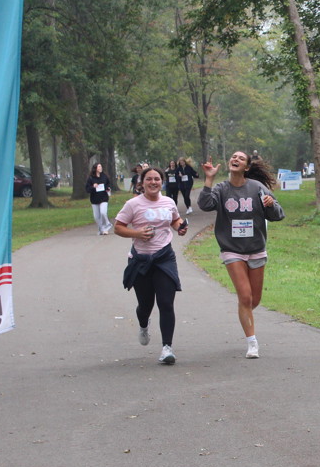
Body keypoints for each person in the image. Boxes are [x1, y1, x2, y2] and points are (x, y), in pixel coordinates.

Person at [198, 150, 285, 359]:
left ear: (247, 167)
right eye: (233, 157)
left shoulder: (257, 188)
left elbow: (278, 214)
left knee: (253, 300)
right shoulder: (221, 189)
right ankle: (252, 343)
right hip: (232, 249)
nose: (235, 159)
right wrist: (209, 179)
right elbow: (205, 204)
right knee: (245, 296)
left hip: (256, 248)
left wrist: (270, 205)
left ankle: (244, 312)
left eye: (241, 158)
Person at [114, 166, 189, 365]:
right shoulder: (133, 204)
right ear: (142, 182)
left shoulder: (169, 202)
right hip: (141, 260)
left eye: (157, 179)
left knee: (166, 303)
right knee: (145, 305)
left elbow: (175, 219)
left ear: (162, 182)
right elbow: (118, 227)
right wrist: (137, 233)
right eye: (149, 179)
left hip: (164, 258)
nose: (153, 182)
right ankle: (143, 324)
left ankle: (167, 348)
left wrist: (180, 227)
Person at [85, 163, 114, 235]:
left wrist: (108, 188)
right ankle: (101, 229)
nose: (100, 168)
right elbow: (87, 189)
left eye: (101, 166)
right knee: (96, 217)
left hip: (104, 198)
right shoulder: (91, 178)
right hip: (94, 199)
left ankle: (106, 226)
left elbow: (108, 185)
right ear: (95, 168)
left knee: (103, 212)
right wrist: (93, 187)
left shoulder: (104, 176)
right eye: (99, 166)